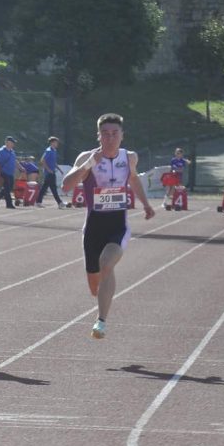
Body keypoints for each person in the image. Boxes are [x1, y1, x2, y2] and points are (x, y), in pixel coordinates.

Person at [62, 113, 155, 339]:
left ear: (122, 135)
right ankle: (102, 298)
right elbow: (66, 186)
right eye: (105, 133)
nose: (110, 138)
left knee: (107, 263)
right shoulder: (87, 157)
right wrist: (87, 165)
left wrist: (146, 205)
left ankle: (101, 321)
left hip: (118, 225)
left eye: (115, 133)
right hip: (93, 227)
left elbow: (132, 179)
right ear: (98, 136)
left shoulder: (129, 157)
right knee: (95, 284)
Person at [0, 136, 22, 209]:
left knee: (7, 188)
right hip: (4, 172)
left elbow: (14, 161)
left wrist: (20, 167)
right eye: (12, 142)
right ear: (7, 143)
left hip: (10, 173)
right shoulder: (2, 151)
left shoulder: (12, 151)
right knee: (7, 189)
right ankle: (9, 204)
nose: (13, 144)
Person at [37, 136, 66, 208]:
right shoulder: (48, 150)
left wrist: (59, 169)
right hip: (49, 173)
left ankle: (38, 201)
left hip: (52, 172)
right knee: (53, 188)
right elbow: (42, 160)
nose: (57, 144)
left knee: (44, 188)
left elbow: (54, 162)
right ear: (52, 143)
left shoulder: (54, 151)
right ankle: (59, 203)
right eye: (56, 142)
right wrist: (48, 169)